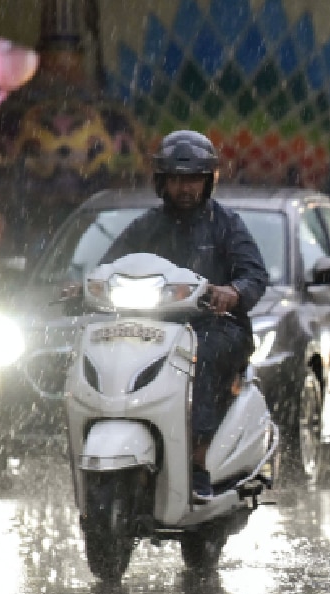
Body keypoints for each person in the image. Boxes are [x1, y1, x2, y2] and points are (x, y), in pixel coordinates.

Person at [100, 130, 269, 501]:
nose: (184, 188)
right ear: (162, 182)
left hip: (216, 328)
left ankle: (197, 461)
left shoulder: (226, 224)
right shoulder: (146, 226)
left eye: (193, 179)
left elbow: (255, 274)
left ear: (208, 181)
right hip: (154, 328)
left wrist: (234, 292)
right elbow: (108, 266)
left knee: (198, 357)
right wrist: (82, 286)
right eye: (176, 179)